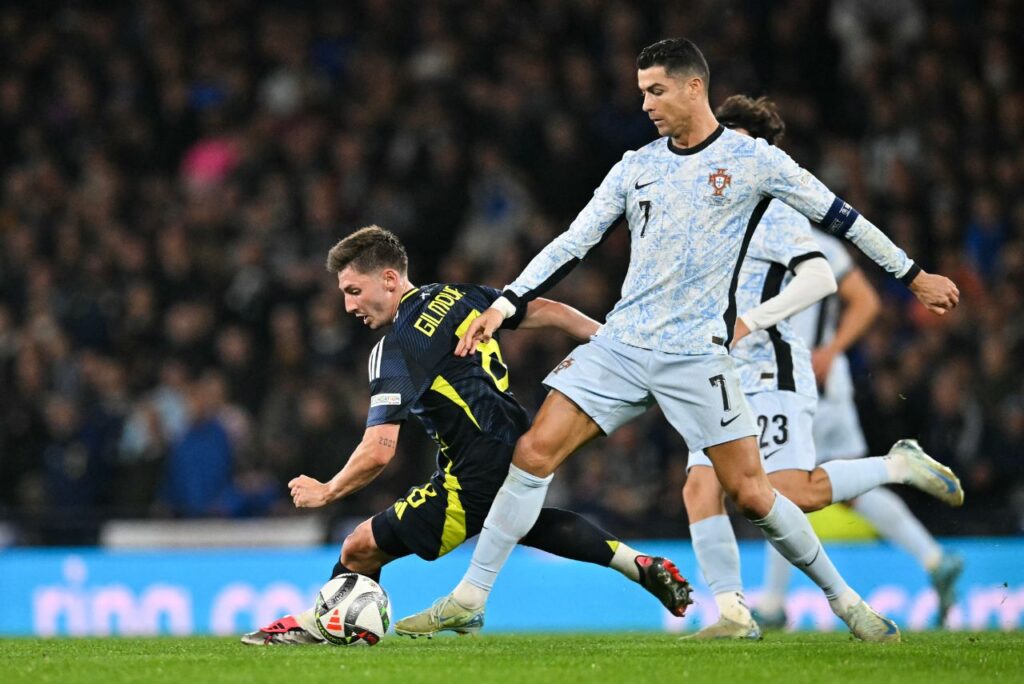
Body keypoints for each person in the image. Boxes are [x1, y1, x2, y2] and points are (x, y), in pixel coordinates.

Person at [396, 37, 959, 643]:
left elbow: (841, 217)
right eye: (641, 93)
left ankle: (850, 606)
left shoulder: (754, 162)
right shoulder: (637, 166)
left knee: (752, 495)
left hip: (697, 356)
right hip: (623, 344)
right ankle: (470, 598)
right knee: (533, 455)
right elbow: (573, 241)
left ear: (695, 87)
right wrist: (508, 300)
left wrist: (913, 275)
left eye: (656, 90)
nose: (646, 105)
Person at [241, 225, 692, 645]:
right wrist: (614, 344)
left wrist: (328, 490)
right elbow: (551, 311)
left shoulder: (396, 348)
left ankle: (328, 625)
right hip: (521, 447)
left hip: (471, 475)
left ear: (390, 279)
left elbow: (379, 452)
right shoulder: (455, 296)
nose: (348, 306)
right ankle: (638, 565)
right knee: (526, 523)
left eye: (354, 291)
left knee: (358, 547)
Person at [680, 95, 964, 640]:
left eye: (732, 140)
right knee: (700, 487)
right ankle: (736, 614)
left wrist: (759, 325)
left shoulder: (780, 211)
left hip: (774, 371)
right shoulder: (707, 210)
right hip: (719, 372)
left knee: (789, 495)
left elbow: (835, 281)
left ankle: (896, 467)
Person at [753, 229, 964, 630]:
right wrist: (833, 351)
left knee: (777, 489)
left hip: (790, 385)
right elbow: (866, 301)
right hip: (830, 385)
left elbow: (866, 302)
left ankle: (775, 604)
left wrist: (827, 351)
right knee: (852, 491)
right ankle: (934, 557)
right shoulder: (825, 246)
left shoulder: (761, 245)